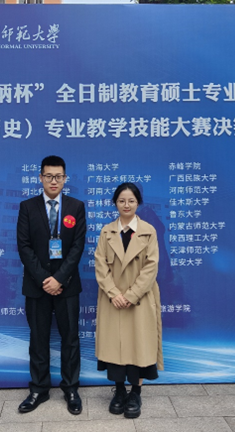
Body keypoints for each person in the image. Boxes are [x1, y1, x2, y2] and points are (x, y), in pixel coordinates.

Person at [16, 155, 87, 415]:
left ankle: (71, 389)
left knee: (70, 339)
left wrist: (60, 278)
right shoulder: (27, 207)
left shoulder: (76, 206)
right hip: (37, 286)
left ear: (65, 178)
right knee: (38, 338)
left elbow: (78, 246)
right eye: (48, 176)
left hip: (67, 285)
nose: (53, 181)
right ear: (40, 178)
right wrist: (44, 279)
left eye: (58, 176)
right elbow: (24, 246)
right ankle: (39, 389)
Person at [94, 182, 163, 419]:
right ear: (115, 203)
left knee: (139, 346)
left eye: (131, 201)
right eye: (122, 201)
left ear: (138, 203)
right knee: (115, 346)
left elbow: (151, 267)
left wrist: (131, 295)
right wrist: (114, 293)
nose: (126, 205)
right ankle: (119, 391)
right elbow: (100, 265)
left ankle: (135, 393)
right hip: (112, 300)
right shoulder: (106, 232)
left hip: (139, 299)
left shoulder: (148, 231)